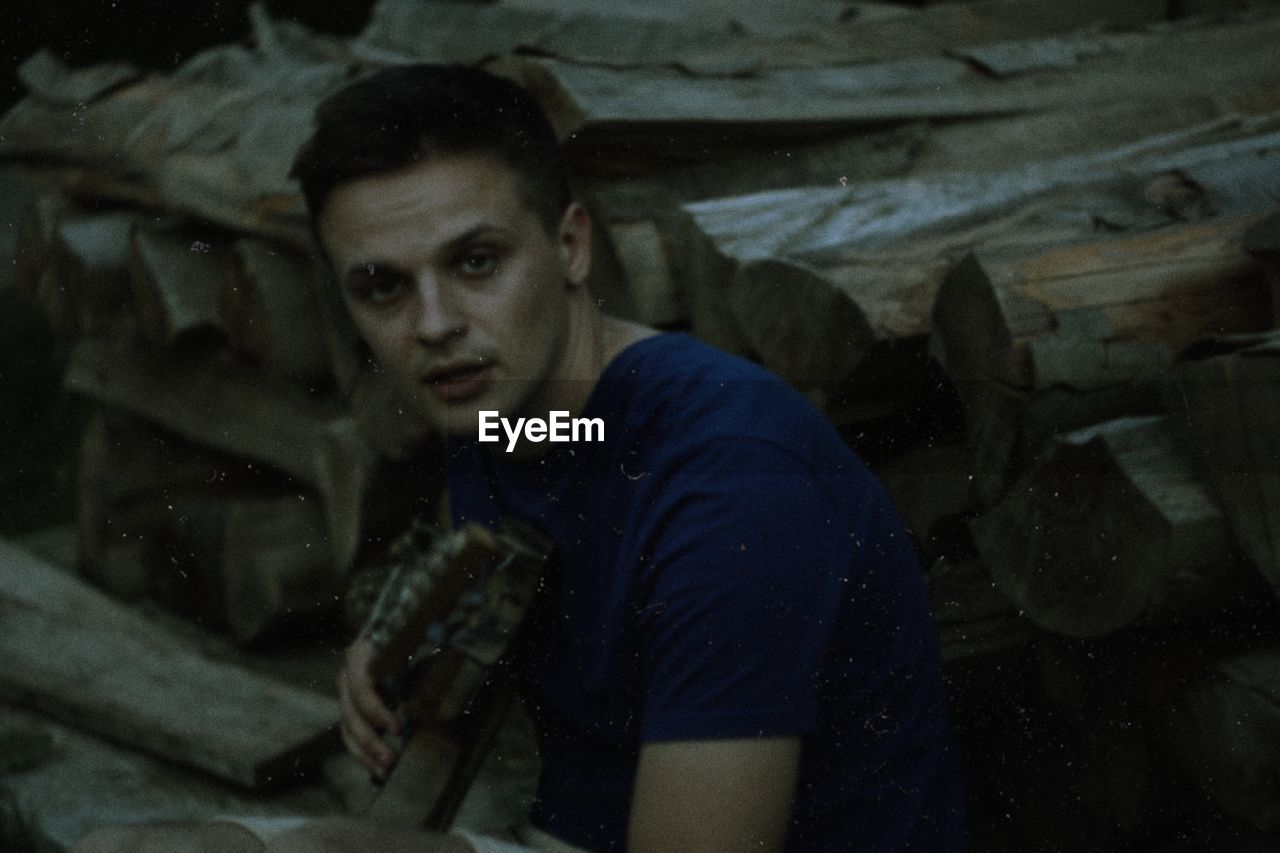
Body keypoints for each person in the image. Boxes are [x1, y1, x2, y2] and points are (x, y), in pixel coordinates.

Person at [73, 64, 963, 853]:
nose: (432, 325)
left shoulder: (733, 487)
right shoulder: (516, 414)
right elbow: (559, 478)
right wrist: (402, 626)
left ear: (571, 246)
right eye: (382, 285)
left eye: (476, 261)